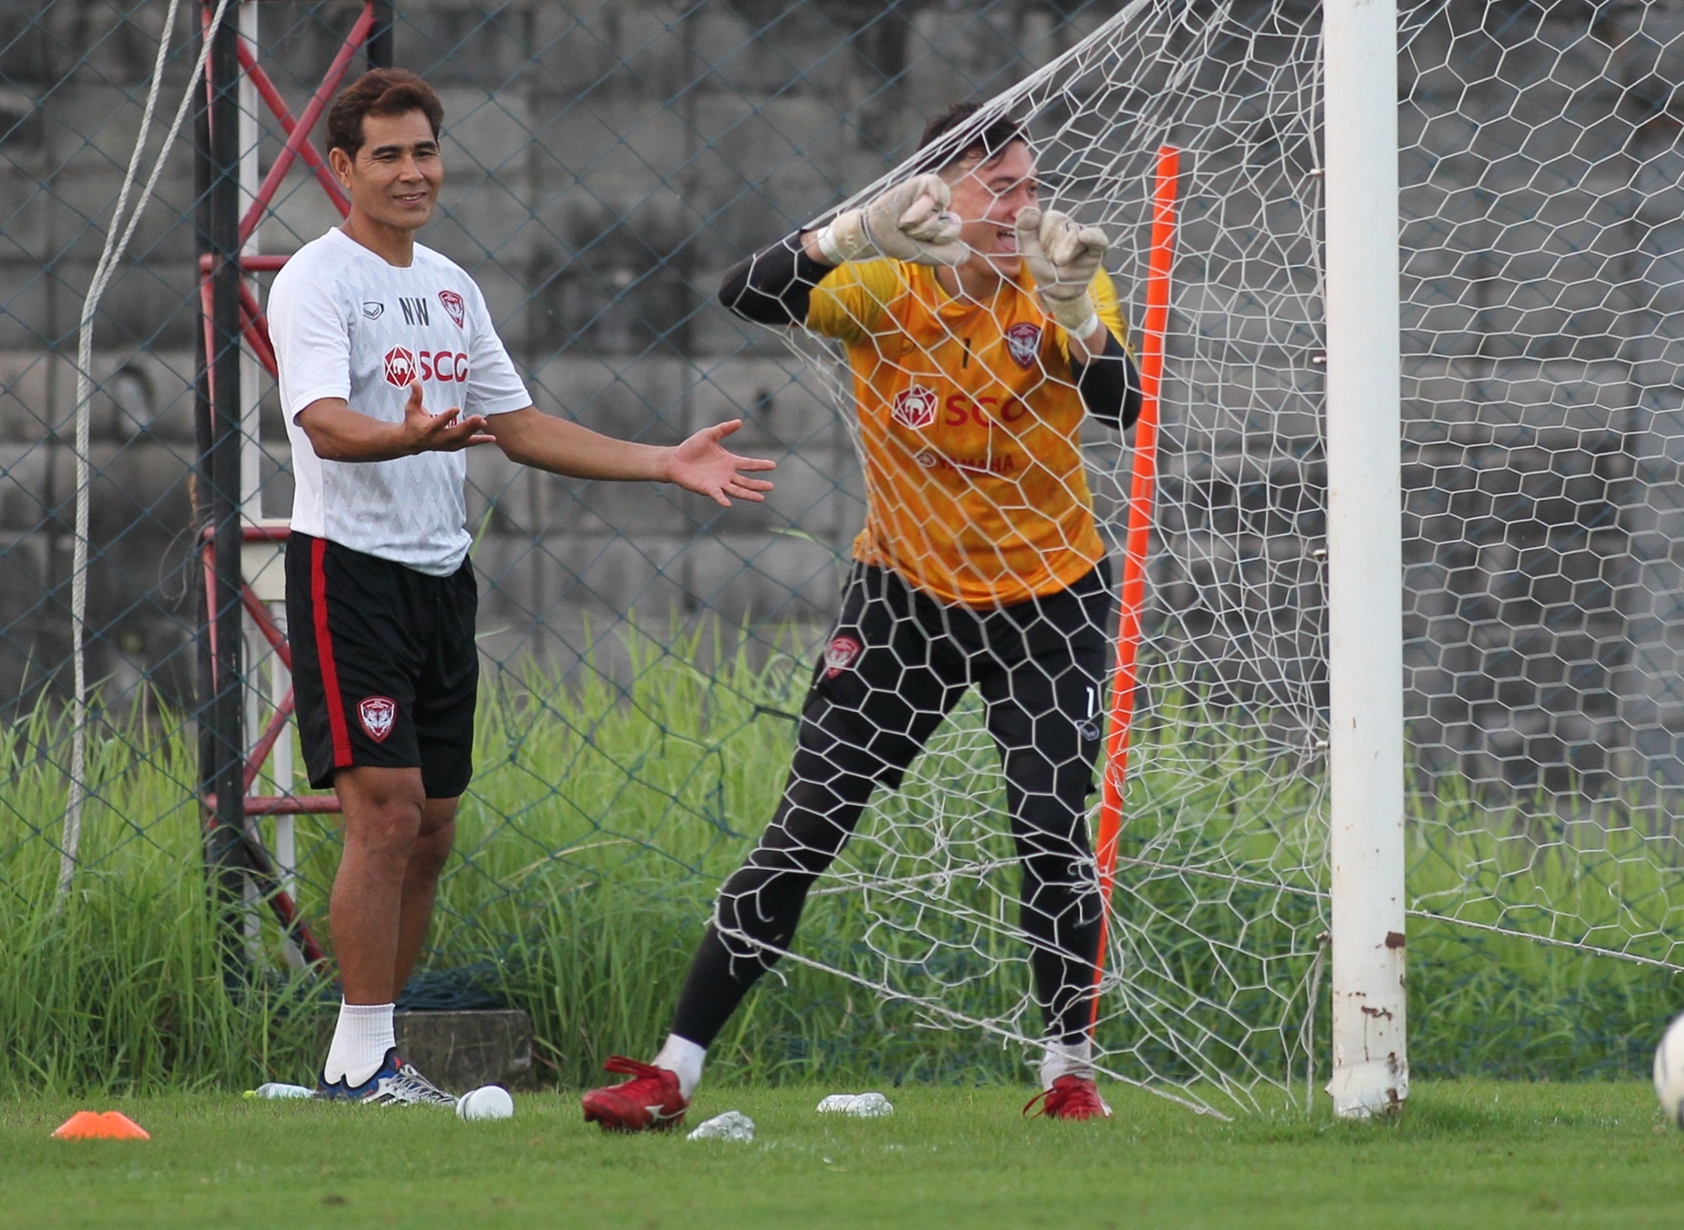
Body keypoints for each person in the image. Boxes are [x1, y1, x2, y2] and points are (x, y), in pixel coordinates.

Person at [581, 103, 1140, 1131]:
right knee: (807, 822)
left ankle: (1068, 1070)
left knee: (1050, 832)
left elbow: (1119, 404)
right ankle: (671, 1069)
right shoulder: (884, 279)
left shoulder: (1057, 273)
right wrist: (845, 235)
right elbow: (743, 293)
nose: (1023, 204)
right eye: (999, 186)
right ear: (938, 194)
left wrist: (1081, 319)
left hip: (1048, 598)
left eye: (1027, 181)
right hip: (903, 597)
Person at [271, 67, 775, 1105]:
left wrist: (661, 459)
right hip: (348, 573)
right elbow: (321, 419)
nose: (413, 172)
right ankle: (363, 1059)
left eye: (424, 151)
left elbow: (517, 423)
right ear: (342, 168)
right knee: (384, 812)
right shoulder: (315, 280)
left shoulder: (451, 286)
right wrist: (399, 435)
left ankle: (366, 1054)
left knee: (434, 825)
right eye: (388, 155)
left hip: (441, 575)